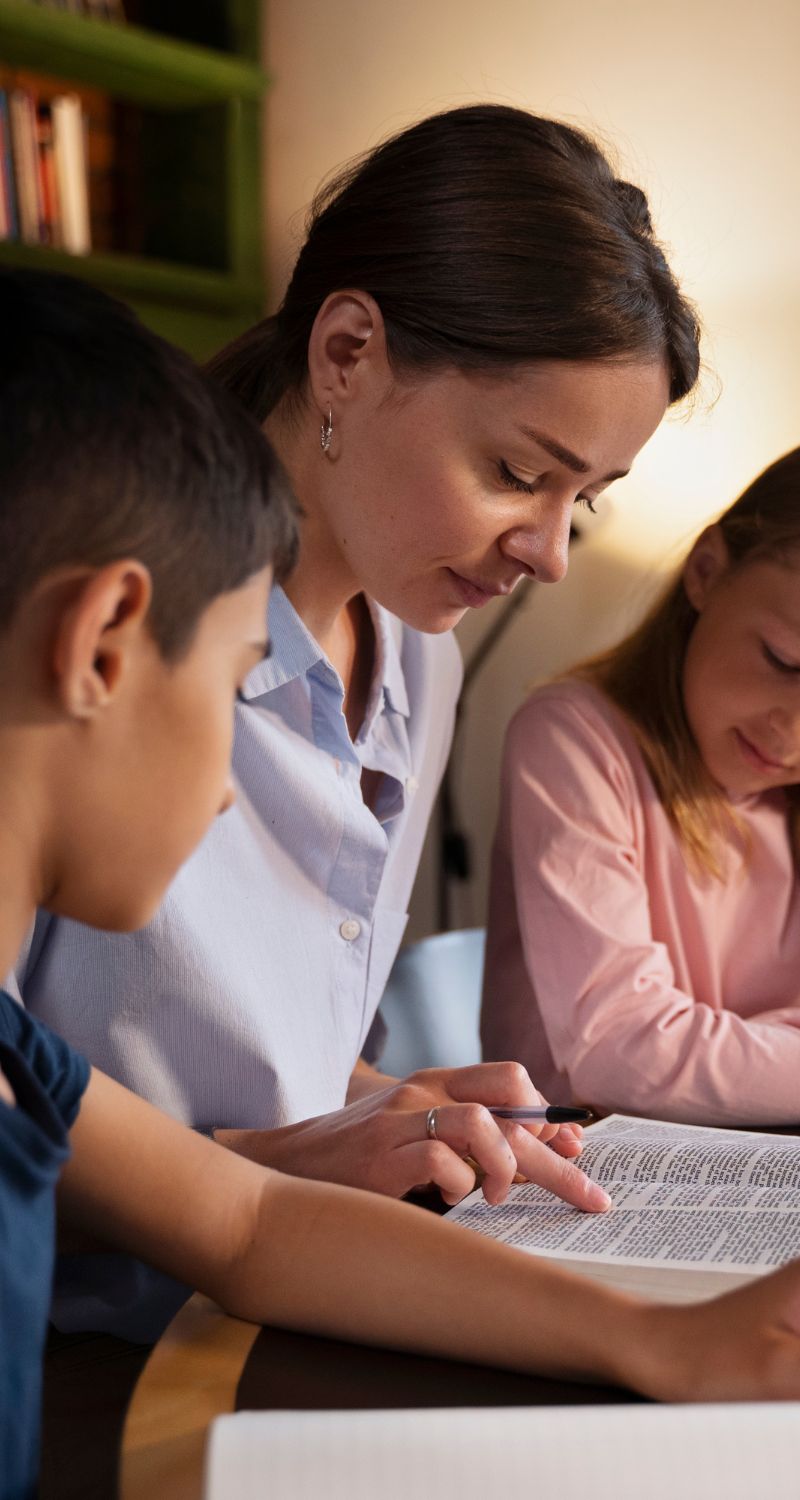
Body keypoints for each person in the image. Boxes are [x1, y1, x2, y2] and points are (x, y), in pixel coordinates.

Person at [1, 272, 800, 1500]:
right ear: (106, 644)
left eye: (584, 497)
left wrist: (658, 1335)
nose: (234, 790)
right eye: (232, 682)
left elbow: (245, 1218)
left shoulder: (24, 1064)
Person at [10, 102, 704, 1339]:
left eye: (583, 501)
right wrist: (262, 1161)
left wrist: (397, 1104)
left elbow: (271, 1049)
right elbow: (42, 1095)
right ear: (345, 353)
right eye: (515, 473)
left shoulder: (417, 652)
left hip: (297, 1298)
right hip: (91, 1336)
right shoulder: (119, 628)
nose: (547, 554)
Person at [482, 430, 800, 1126]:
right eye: (784, 663)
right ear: (707, 571)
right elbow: (625, 1053)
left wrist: (752, 1057)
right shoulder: (574, 741)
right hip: (568, 1193)